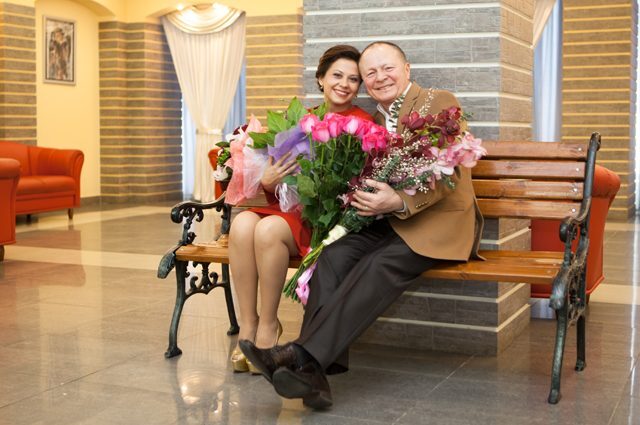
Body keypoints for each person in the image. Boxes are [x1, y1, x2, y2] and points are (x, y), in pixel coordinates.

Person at [239, 41, 484, 408]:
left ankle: (299, 357)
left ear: (407, 69)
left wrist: (398, 200)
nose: (379, 77)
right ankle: (316, 377)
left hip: (437, 225)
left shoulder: (437, 102)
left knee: (378, 264)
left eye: (388, 68)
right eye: (371, 73)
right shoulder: (376, 122)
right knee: (333, 255)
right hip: (390, 224)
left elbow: (450, 171)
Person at [229, 45, 373, 373]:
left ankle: (268, 326)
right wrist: (267, 180)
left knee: (267, 230)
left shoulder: (364, 124)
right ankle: (247, 325)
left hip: (323, 218)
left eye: (353, 79)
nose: (344, 84)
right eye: (337, 75)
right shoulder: (301, 119)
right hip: (291, 208)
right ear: (321, 78)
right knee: (242, 225)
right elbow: (277, 179)